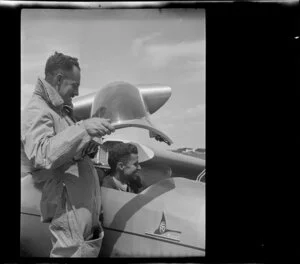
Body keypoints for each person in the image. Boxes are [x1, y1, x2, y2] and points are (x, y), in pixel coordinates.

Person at [21, 52, 115, 257]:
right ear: (59, 79)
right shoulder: (38, 110)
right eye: (75, 84)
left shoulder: (61, 112)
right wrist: (84, 129)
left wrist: (88, 142)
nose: (78, 91)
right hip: (69, 205)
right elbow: (42, 153)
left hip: (79, 206)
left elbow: (67, 150)